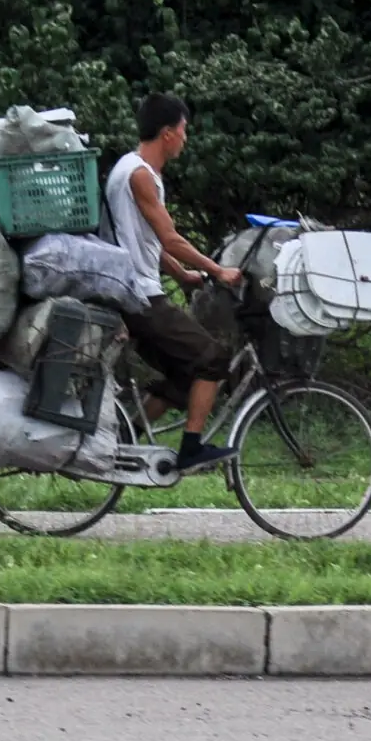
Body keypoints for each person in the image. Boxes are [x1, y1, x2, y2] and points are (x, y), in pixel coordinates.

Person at [104, 94, 245, 473]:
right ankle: (191, 450)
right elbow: (170, 238)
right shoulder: (140, 175)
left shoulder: (130, 169)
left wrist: (182, 275)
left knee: (186, 375)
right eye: (184, 131)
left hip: (131, 291)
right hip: (139, 296)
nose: (185, 138)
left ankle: (124, 438)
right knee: (214, 359)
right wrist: (217, 270)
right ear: (167, 133)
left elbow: (144, 241)